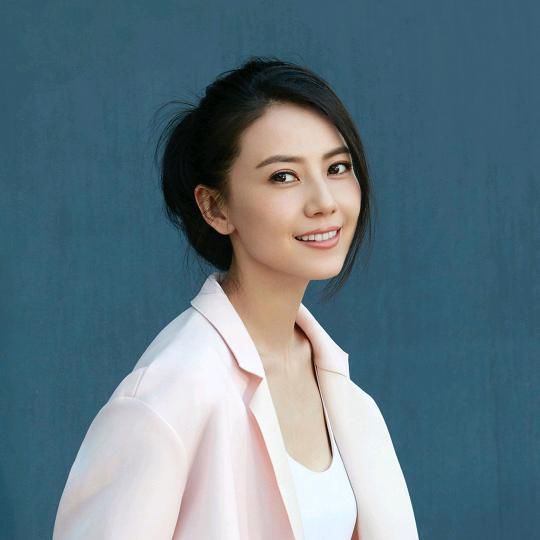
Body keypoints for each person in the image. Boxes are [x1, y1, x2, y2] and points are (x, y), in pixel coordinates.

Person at [52, 56, 419, 540]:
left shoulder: (344, 394)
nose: (324, 202)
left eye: (337, 167)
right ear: (215, 207)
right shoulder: (167, 397)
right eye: (283, 176)